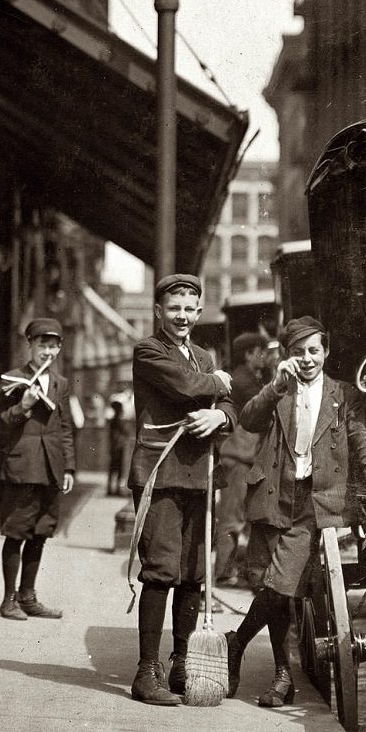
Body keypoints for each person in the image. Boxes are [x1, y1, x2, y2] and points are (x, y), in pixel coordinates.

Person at [227, 316, 366, 707]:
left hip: (316, 500)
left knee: (281, 581)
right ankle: (282, 676)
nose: (307, 359)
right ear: (288, 356)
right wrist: (276, 385)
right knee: (270, 587)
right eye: (298, 352)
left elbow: (361, 441)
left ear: (325, 351)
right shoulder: (280, 388)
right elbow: (248, 419)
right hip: (275, 493)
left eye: (314, 350)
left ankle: (237, 641)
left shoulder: (342, 395)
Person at [128, 274, 237, 705]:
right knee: (161, 568)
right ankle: (145, 672)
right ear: (159, 312)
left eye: (191, 308)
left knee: (193, 573)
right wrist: (221, 384)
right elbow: (188, 387)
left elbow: (225, 405)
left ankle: (180, 665)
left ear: (199, 312)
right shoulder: (149, 351)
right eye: (175, 308)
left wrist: (221, 419)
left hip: (200, 473)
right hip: (160, 472)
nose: (183, 316)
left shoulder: (205, 355)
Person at [0, 317, 76, 621]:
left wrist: (68, 467)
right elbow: (2, 421)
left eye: (54, 346)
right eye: (43, 344)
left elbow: (66, 427)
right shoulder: (12, 379)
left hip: (52, 466)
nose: (48, 351)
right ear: (30, 344)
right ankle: (9, 600)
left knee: (41, 531)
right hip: (23, 465)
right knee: (16, 530)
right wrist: (24, 406)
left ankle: (28, 596)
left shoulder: (61, 383)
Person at [213, 331, 268, 586]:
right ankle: (224, 572)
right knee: (231, 517)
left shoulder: (246, 378)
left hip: (242, 457)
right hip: (238, 456)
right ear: (248, 355)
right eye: (261, 352)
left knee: (236, 516)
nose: (265, 357)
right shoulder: (244, 381)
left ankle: (229, 568)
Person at [107, 398, 131, 496]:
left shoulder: (114, 420)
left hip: (115, 446)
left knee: (114, 469)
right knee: (117, 469)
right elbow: (126, 432)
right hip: (118, 447)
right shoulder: (118, 420)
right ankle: (115, 489)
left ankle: (112, 488)